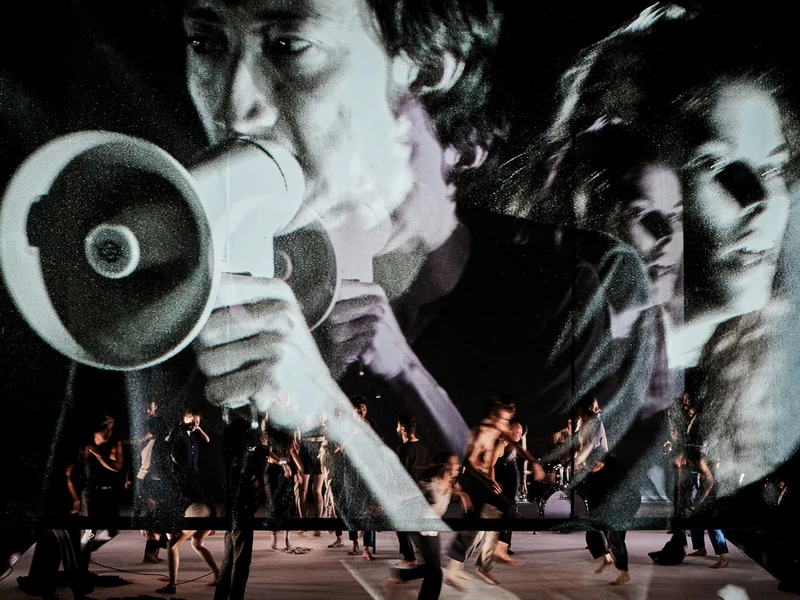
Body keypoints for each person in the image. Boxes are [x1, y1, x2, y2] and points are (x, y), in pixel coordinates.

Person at [520, 2, 800, 503]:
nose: (758, 198)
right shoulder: (563, 377)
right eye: (716, 164)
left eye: (774, 168)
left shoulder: (766, 397)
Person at [444, 398, 515, 588]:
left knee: (475, 528)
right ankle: (494, 555)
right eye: (504, 419)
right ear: (492, 417)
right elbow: (468, 461)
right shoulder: (482, 433)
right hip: (474, 483)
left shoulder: (494, 433)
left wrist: (491, 481)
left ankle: (457, 569)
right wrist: (486, 481)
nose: (506, 425)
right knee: (502, 509)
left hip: (481, 484)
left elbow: (488, 462)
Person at [390, 452, 471, 600]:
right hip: (420, 529)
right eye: (455, 462)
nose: (458, 465)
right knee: (435, 574)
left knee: (432, 570)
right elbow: (407, 496)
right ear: (446, 465)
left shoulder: (451, 482)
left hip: (433, 530)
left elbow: (455, 490)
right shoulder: (429, 483)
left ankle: (401, 575)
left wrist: (463, 496)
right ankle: (402, 576)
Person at [584, 447, 641, 585]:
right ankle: (606, 557)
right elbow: (593, 499)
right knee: (593, 530)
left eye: (592, 466)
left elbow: (624, 498)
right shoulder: (594, 475)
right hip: (608, 504)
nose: (590, 469)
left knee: (615, 536)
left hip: (627, 503)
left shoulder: (616, 473)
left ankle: (623, 573)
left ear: (601, 464)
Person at [79, 415, 123, 566]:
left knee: (112, 531)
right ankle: (81, 567)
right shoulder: (86, 445)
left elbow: (117, 467)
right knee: (90, 532)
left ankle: (84, 550)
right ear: (97, 430)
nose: (109, 432)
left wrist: (98, 454)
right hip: (90, 493)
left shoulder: (113, 445)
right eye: (106, 429)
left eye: (111, 429)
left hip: (109, 492)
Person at [395, 414, 431, 567]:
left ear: (402, 429)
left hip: (408, 493)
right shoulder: (423, 447)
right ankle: (422, 553)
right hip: (422, 493)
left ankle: (409, 557)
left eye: (397, 426)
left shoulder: (403, 449)